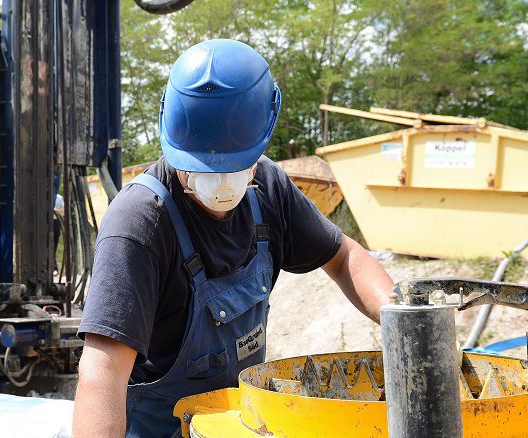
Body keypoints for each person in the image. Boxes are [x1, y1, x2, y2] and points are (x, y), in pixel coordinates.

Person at [72, 39, 394, 437]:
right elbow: (102, 371)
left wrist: (401, 321)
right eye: (200, 168)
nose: (220, 184)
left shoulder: (269, 190)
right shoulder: (139, 224)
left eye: (234, 165)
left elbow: (345, 258)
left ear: (260, 145)